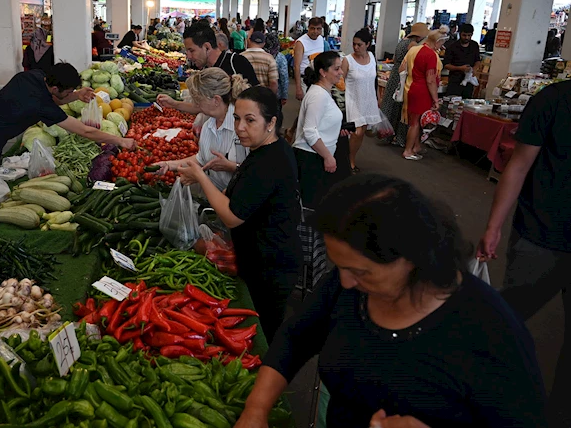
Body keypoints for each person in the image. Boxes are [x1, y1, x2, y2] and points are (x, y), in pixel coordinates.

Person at [235, 174, 547, 428]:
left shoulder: (493, 332)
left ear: (411, 258)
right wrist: (256, 408)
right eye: (338, 266)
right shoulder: (349, 286)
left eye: (359, 271)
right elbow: (296, 336)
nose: (344, 281)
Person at [477, 80, 571, 428]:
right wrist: (493, 226)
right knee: (506, 318)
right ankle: (471, 388)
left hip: (542, 235)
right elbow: (518, 166)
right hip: (540, 235)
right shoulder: (553, 100)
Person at [177, 86, 301, 339]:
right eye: (237, 118)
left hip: (271, 265)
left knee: (265, 333)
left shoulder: (269, 161)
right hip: (262, 256)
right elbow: (240, 196)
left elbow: (232, 216)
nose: (240, 127)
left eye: (250, 120)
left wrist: (201, 175)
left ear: (271, 122)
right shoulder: (264, 152)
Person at [0, 63, 136, 195]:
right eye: (68, 91)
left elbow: (55, 98)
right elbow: (85, 131)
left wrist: (76, 95)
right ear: (54, 87)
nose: (70, 95)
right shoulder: (41, 105)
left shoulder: (33, 76)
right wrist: (120, 141)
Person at [155, 68, 249, 191]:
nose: (195, 104)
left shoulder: (244, 127)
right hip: (216, 195)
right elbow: (201, 159)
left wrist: (232, 166)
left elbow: (263, 171)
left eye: (198, 100)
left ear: (216, 100)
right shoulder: (208, 126)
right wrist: (168, 165)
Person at [292, 51, 345, 206]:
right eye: (336, 69)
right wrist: (328, 156)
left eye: (340, 68)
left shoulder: (323, 92)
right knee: (310, 208)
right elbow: (310, 131)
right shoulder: (318, 95)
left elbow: (320, 122)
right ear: (323, 72)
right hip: (311, 158)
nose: (341, 72)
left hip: (315, 156)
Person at [400, 26, 448, 160]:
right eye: (441, 44)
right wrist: (436, 99)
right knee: (415, 123)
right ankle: (408, 150)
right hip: (422, 91)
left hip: (411, 88)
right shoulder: (431, 55)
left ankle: (415, 147)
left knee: (414, 120)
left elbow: (401, 68)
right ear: (438, 42)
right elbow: (431, 80)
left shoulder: (414, 50)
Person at [379, 22, 429, 148]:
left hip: (395, 75)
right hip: (402, 78)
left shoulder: (402, 41)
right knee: (401, 109)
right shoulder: (412, 45)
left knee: (391, 105)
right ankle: (400, 138)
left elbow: (396, 59)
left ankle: (387, 135)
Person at [176, 21, 259, 93]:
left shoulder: (236, 63)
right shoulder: (205, 70)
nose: (189, 57)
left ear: (207, 47)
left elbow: (257, 97)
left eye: (192, 51)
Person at [342, 28, 381, 172]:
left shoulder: (371, 57)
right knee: (356, 132)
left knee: (361, 133)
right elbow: (340, 83)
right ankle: (349, 161)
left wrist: (377, 97)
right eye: (354, 44)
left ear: (368, 44)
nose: (356, 47)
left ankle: (351, 158)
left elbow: (374, 79)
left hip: (368, 99)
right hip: (353, 100)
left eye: (359, 44)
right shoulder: (348, 60)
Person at [294, 18, 330, 101]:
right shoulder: (301, 43)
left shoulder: (321, 39)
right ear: (308, 28)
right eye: (312, 28)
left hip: (319, 79)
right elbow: (296, 66)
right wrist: (298, 88)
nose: (315, 31)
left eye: (318, 29)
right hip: (305, 80)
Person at [444, 23, 481, 98]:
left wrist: (474, 69)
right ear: (460, 34)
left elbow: (477, 60)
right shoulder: (452, 46)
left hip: (469, 81)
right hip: (455, 80)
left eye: (469, 35)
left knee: (466, 102)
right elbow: (446, 65)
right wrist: (460, 68)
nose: (466, 37)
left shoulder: (474, 45)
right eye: (464, 35)